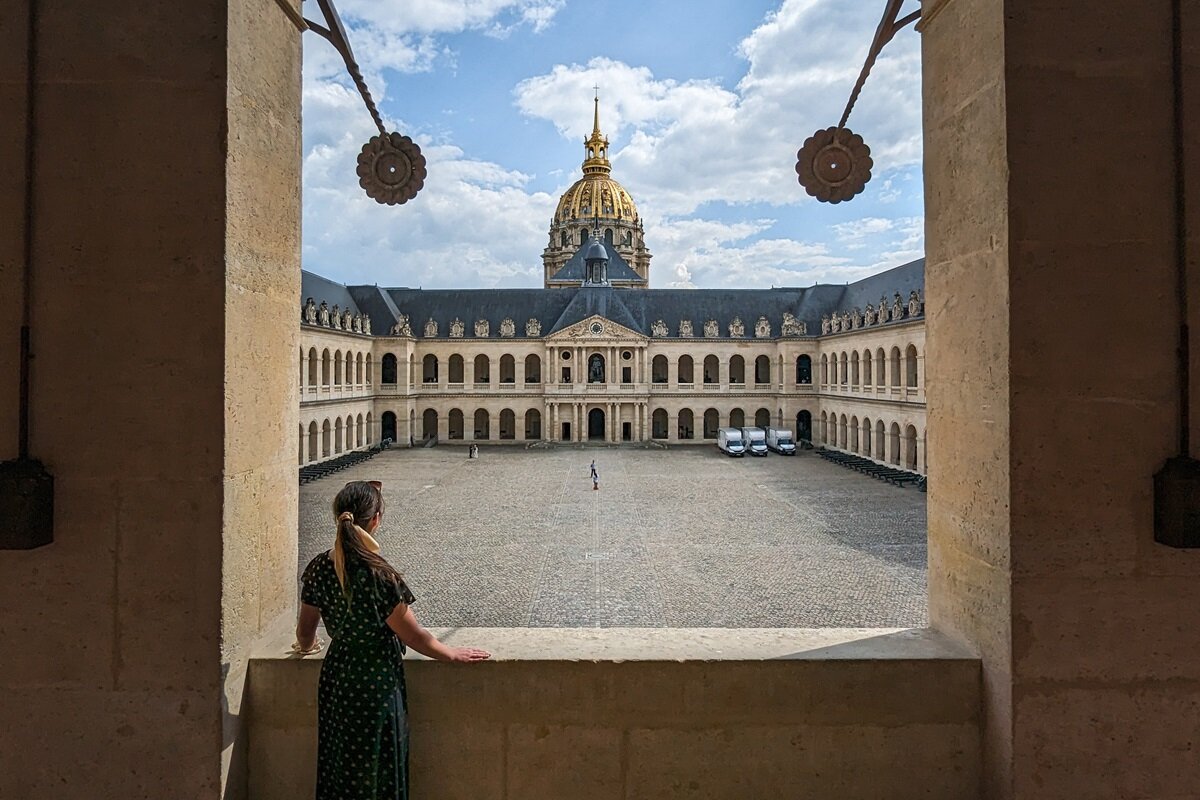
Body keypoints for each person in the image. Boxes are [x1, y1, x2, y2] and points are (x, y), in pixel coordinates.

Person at [295, 480, 490, 800]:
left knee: (338, 761)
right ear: (375, 521)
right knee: (378, 764)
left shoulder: (318, 567)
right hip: (377, 682)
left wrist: (307, 647)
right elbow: (414, 635)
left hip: (337, 678)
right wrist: (451, 655)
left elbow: (305, 632)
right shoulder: (379, 574)